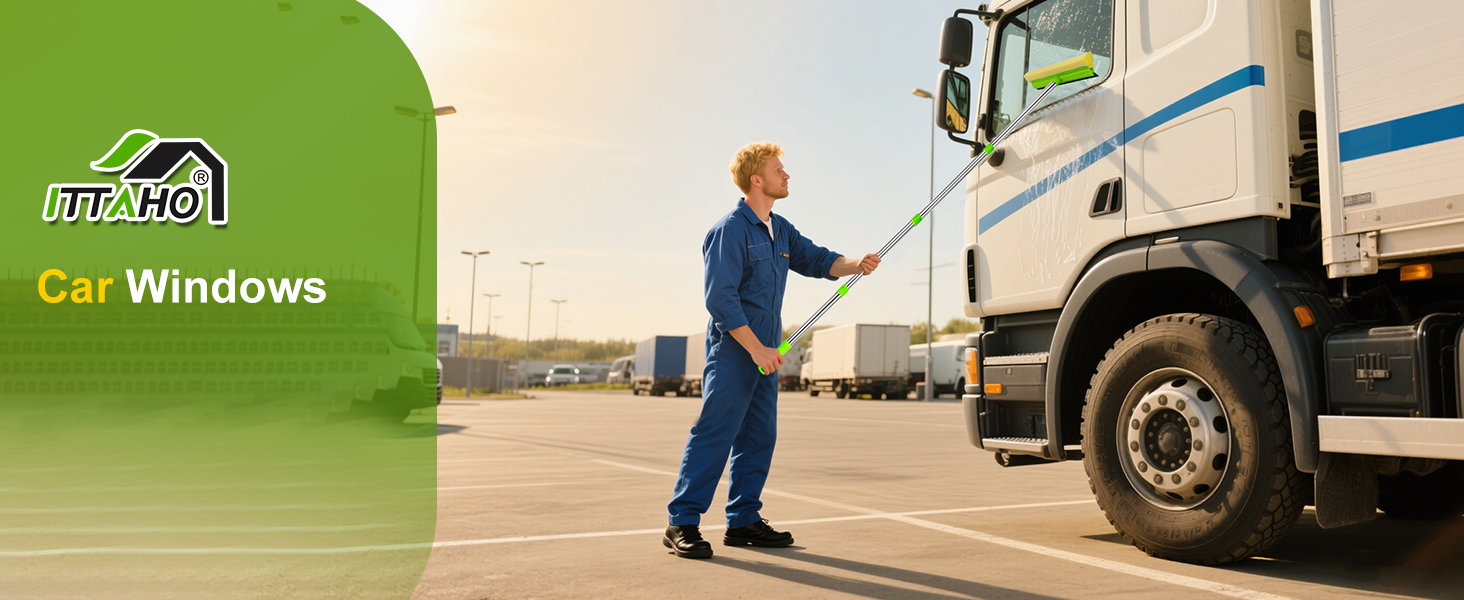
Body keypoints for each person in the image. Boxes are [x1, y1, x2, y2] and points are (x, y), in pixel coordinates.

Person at [663, 142, 880, 559]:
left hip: (766, 352)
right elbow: (720, 299)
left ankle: (743, 520)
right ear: (756, 179)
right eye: (779, 170)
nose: (787, 175)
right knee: (715, 432)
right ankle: (682, 522)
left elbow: (817, 260)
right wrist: (756, 349)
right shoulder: (729, 230)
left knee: (759, 435)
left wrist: (856, 264)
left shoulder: (781, 230)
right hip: (735, 349)